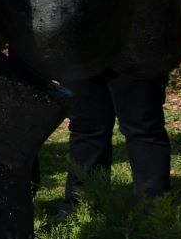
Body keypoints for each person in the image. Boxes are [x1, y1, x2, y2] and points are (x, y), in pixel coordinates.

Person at [64, 69, 173, 203]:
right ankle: (83, 205)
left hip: (134, 56)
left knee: (143, 128)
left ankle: (155, 208)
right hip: (81, 55)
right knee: (87, 128)